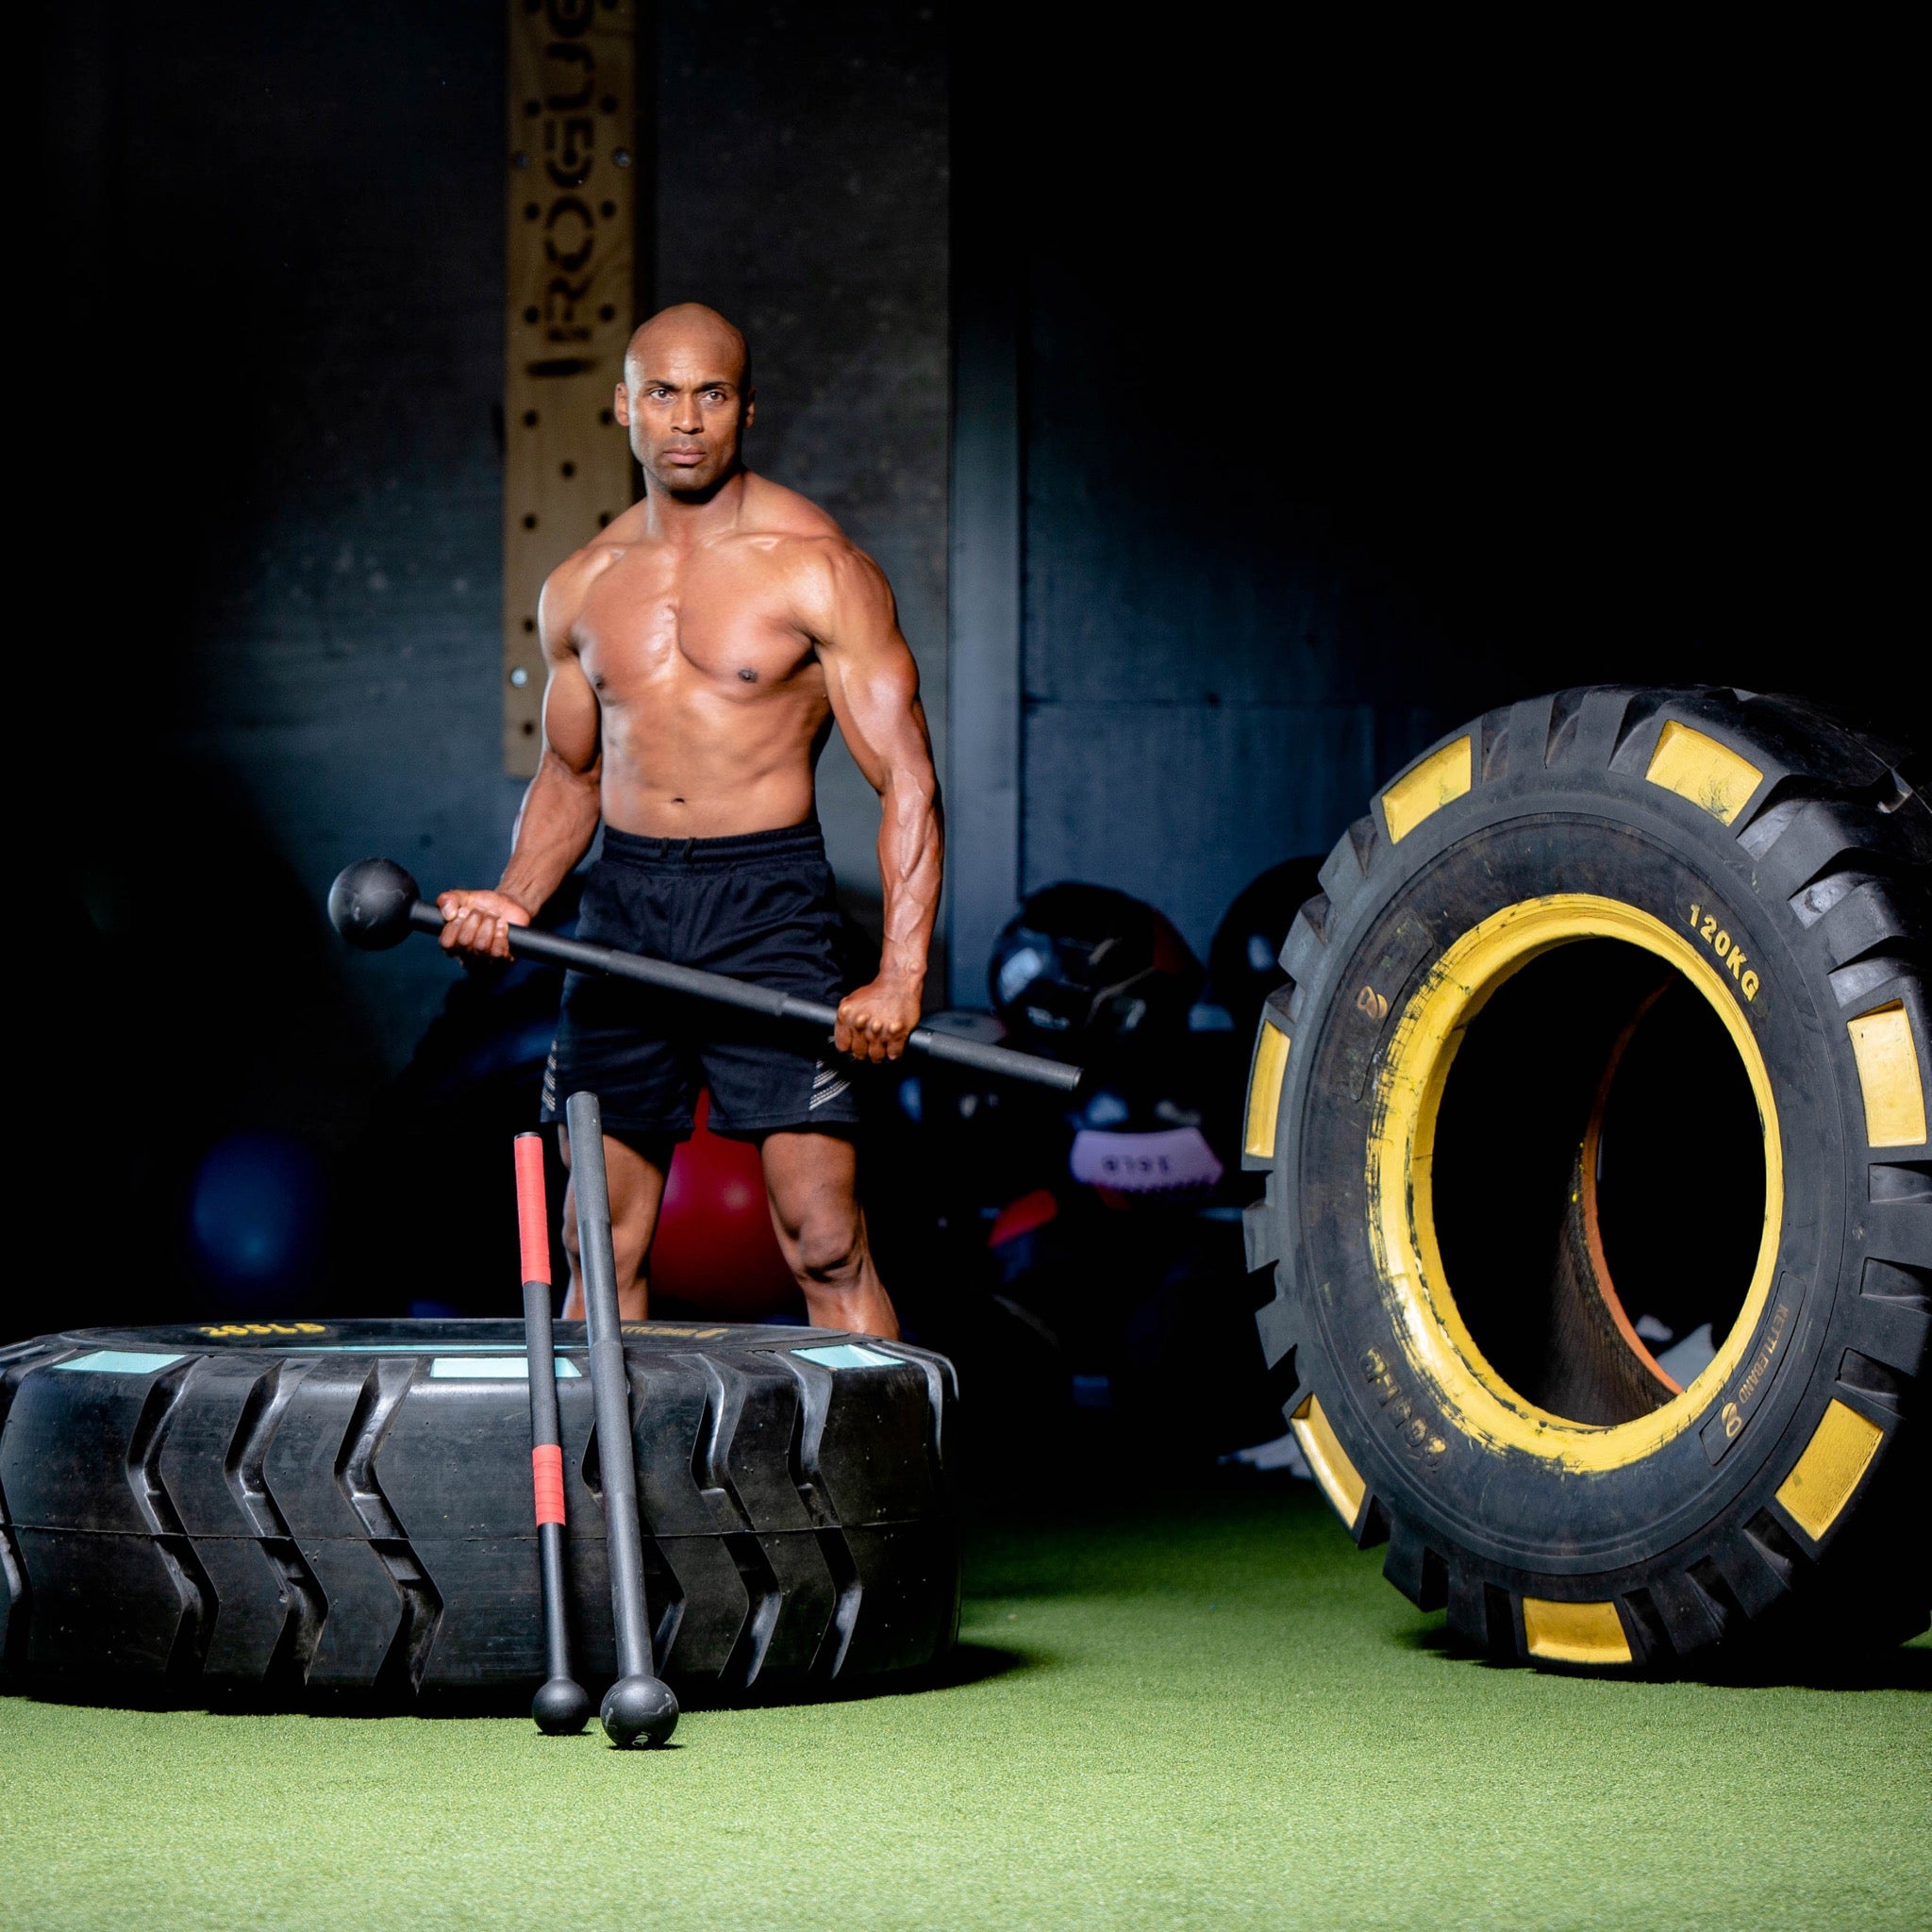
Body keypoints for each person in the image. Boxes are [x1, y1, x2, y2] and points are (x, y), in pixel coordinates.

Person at [437, 304, 939, 1338]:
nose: (686, 418)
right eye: (661, 392)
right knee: (596, 1242)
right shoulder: (579, 588)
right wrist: (516, 897)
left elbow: (907, 782)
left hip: (768, 908)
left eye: (711, 393)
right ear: (623, 406)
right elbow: (570, 775)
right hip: (620, 914)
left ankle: (878, 1499)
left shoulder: (816, 567)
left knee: (824, 1239)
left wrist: (898, 973)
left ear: (745, 407)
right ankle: (594, 1495)